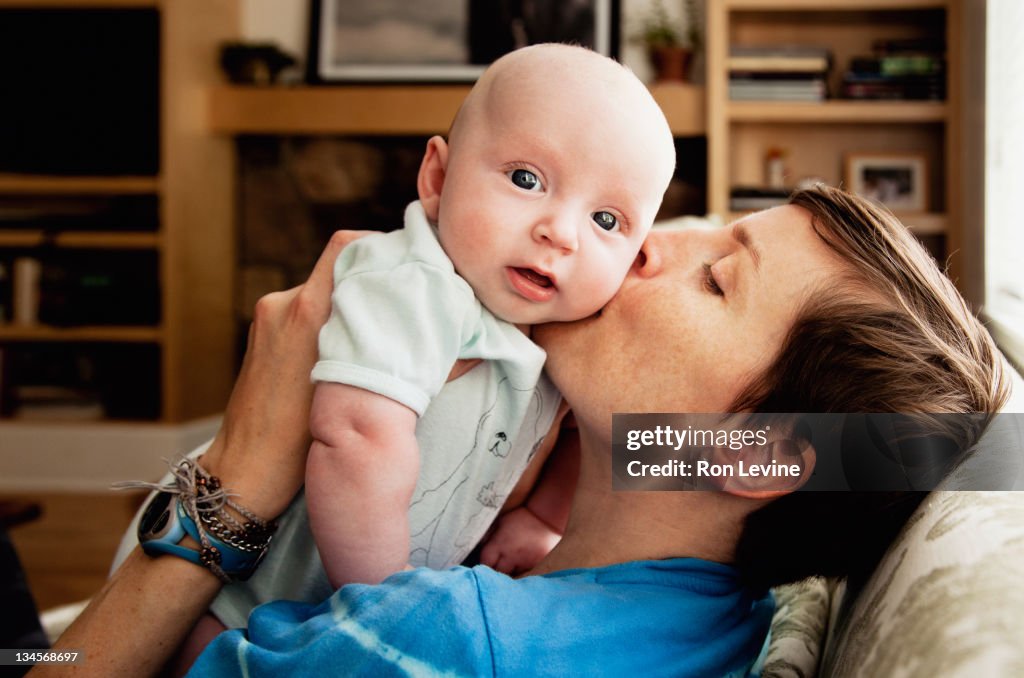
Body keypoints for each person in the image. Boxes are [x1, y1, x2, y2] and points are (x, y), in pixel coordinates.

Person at [39, 186, 1008, 677]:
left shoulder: (455, 640)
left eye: (716, 278)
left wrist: (241, 472)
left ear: (751, 455)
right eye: (710, 224)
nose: (646, 240)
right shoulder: (706, 618)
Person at [137, 42, 676, 655]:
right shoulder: (413, 283)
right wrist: (389, 611)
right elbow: (360, 441)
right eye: (527, 180)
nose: (562, 232)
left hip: (346, 604)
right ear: (439, 179)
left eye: (607, 220)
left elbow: (597, 429)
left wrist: (542, 518)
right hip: (238, 594)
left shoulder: (562, 324)